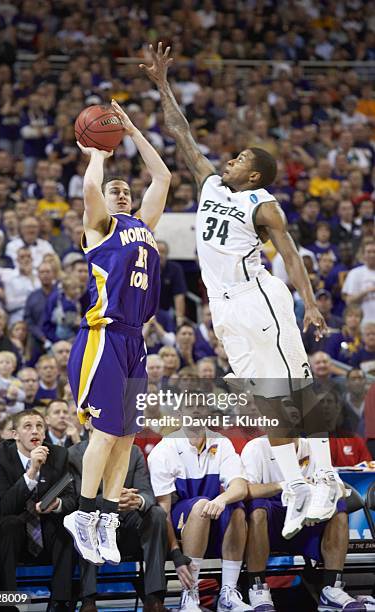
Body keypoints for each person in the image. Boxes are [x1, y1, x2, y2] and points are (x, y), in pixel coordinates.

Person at [142, 43, 339, 539]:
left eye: (240, 158)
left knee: (294, 389)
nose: (227, 160)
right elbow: (181, 133)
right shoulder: (209, 184)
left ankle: (326, 477)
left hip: (261, 299)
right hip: (224, 307)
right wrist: (163, 85)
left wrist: (310, 303)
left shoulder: (262, 201)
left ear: (253, 174)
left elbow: (291, 254)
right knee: (265, 402)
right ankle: (294, 486)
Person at [64, 99, 171, 565]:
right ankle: (83, 514)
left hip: (135, 340)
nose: (123, 193)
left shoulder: (142, 226)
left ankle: (106, 514)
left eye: (127, 190)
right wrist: (97, 155)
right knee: (104, 435)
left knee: (127, 437)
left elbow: (163, 177)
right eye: (116, 191)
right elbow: (90, 190)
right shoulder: (100, 228)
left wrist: (131, 128)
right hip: (103, 336)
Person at [241, 436, 368, 612]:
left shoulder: (313, 446)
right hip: (273, 518)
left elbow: (339, 488)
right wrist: (287, 485)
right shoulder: (256, 447)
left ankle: (332, 589)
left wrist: (321, 493)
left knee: (338, 506)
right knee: (257, 508)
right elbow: (247, 490)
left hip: (308, 520)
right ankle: (257, 588)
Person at [148, 398, 251, 612]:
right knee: (201, 505)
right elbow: (163, 510)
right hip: (179, 518)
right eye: (189, 406)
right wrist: (175, 552)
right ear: (178, 415)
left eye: (201, 406)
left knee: (237, 510)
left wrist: (222, 499)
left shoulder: (221, 442)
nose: (196, 410)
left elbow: (240, 486)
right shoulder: (164, 449)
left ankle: (228, 593)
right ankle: (190, 594)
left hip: (211, 510)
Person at [0, 410, 77, 611]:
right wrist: (32, 472)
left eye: (39, 426)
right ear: (15, 434)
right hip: (15, 531)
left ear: (45, 433)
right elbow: (2, 508)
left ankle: (60, 602)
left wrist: (57, 504)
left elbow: (71, 498)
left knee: (67, 526)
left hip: (46, 527)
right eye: (27, 426)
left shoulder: (59, 454)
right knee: (6, 525)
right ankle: (7, 604)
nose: (34, 431)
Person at [69, 434, 168, 612]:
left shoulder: (134, 451)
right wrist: (111, 500)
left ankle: (154, 599)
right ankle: (88, 601)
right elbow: (77, 498)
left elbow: (146, 491)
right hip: (97, 517)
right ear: (87, 423)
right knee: (86, 518)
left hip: (128, 520)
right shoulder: (74, 454)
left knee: (157, 514)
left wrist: (137, 499)